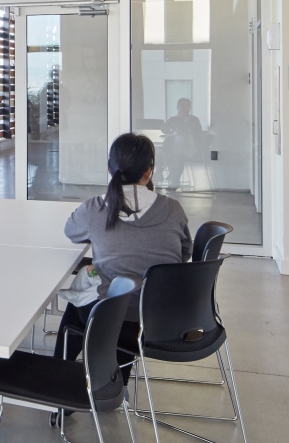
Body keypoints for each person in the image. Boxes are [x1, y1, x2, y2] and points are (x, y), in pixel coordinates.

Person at [55, 132, 191, 363]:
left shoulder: (95, 209)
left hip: (112, 319)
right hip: (163, 318)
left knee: (79, 304)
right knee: (110, 303)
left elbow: (71, 231)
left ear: (110, 169)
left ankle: (60, 369)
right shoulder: (173, 208)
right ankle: (115, 377)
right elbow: (185, 253)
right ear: (148, 173)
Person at [159, 98, 207, 191]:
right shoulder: (173, 119)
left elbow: (199, 135)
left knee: (177, 156)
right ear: (177, 107)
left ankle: (174, 180)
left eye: (187, 105)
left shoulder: (194, 120)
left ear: (190, 107)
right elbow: (164, 128)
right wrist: (172, 130)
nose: (184, 107)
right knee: (166, 150)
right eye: (182, 105)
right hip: (174, 147)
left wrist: (187, 132)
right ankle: (171, 175)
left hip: (189, 148)